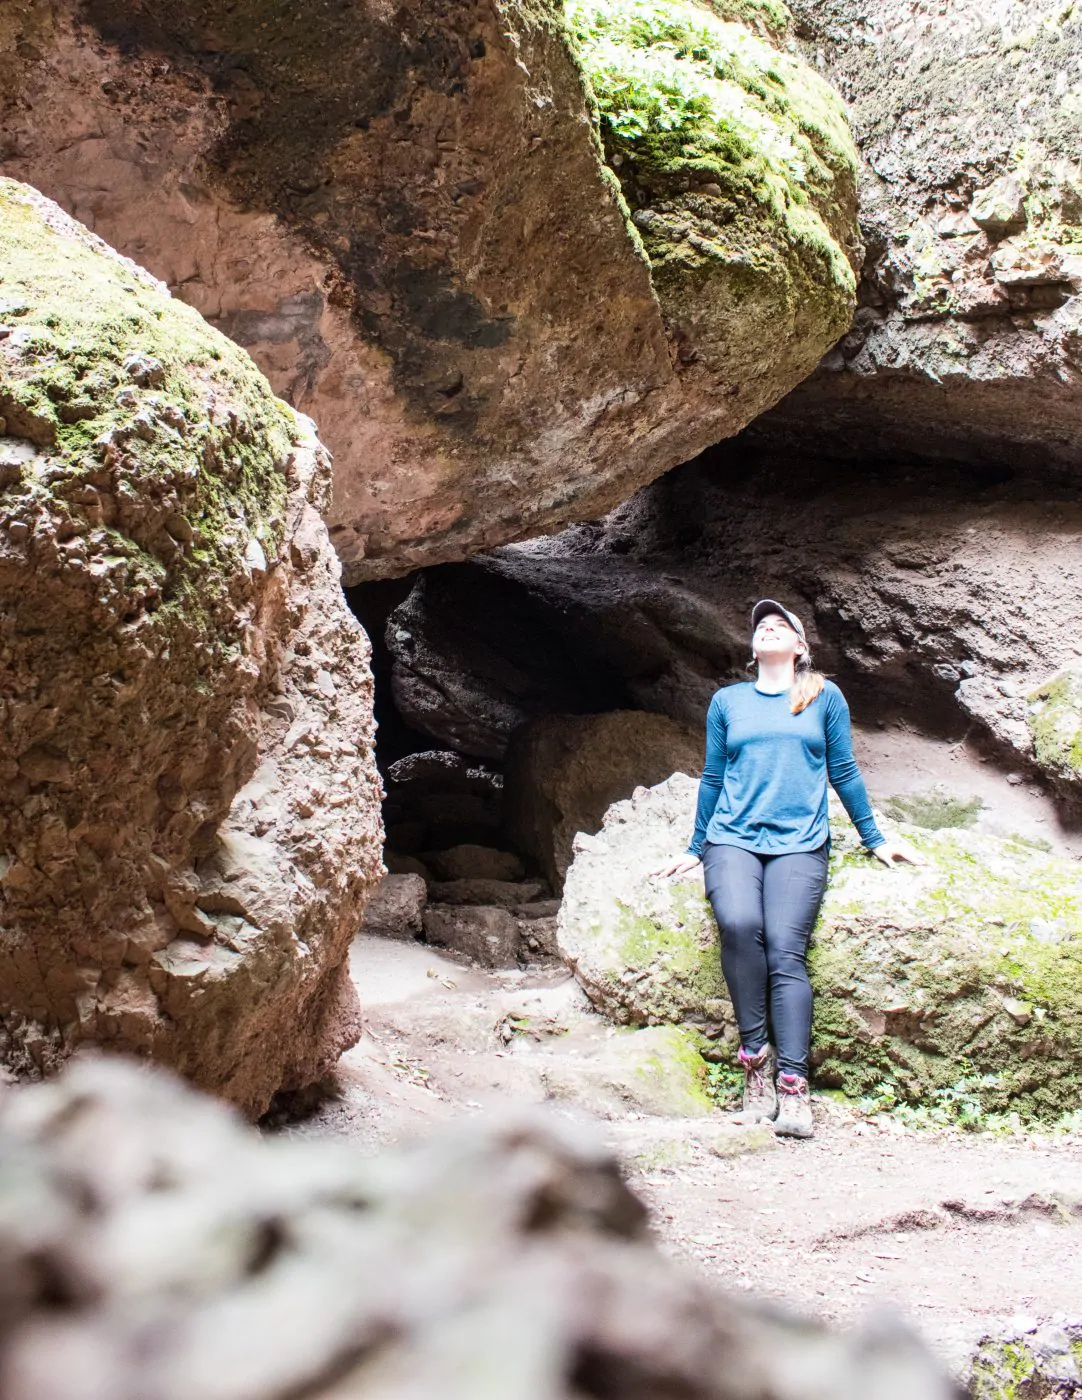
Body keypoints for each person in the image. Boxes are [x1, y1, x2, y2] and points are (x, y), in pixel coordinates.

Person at [652, 599, 917, 1139]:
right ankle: (756, 1068)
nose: (768, 629)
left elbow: (843, 770)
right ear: (753, 649)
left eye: (782, 625)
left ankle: (793, 1086)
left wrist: (875, 838)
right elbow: (712, 776)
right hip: (733, 838)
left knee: (784, 949)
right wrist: (694, 846)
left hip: (800, 842)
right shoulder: (728, 701)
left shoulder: (823, 696)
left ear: (800, 647)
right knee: (739, 925)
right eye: (760, 626)